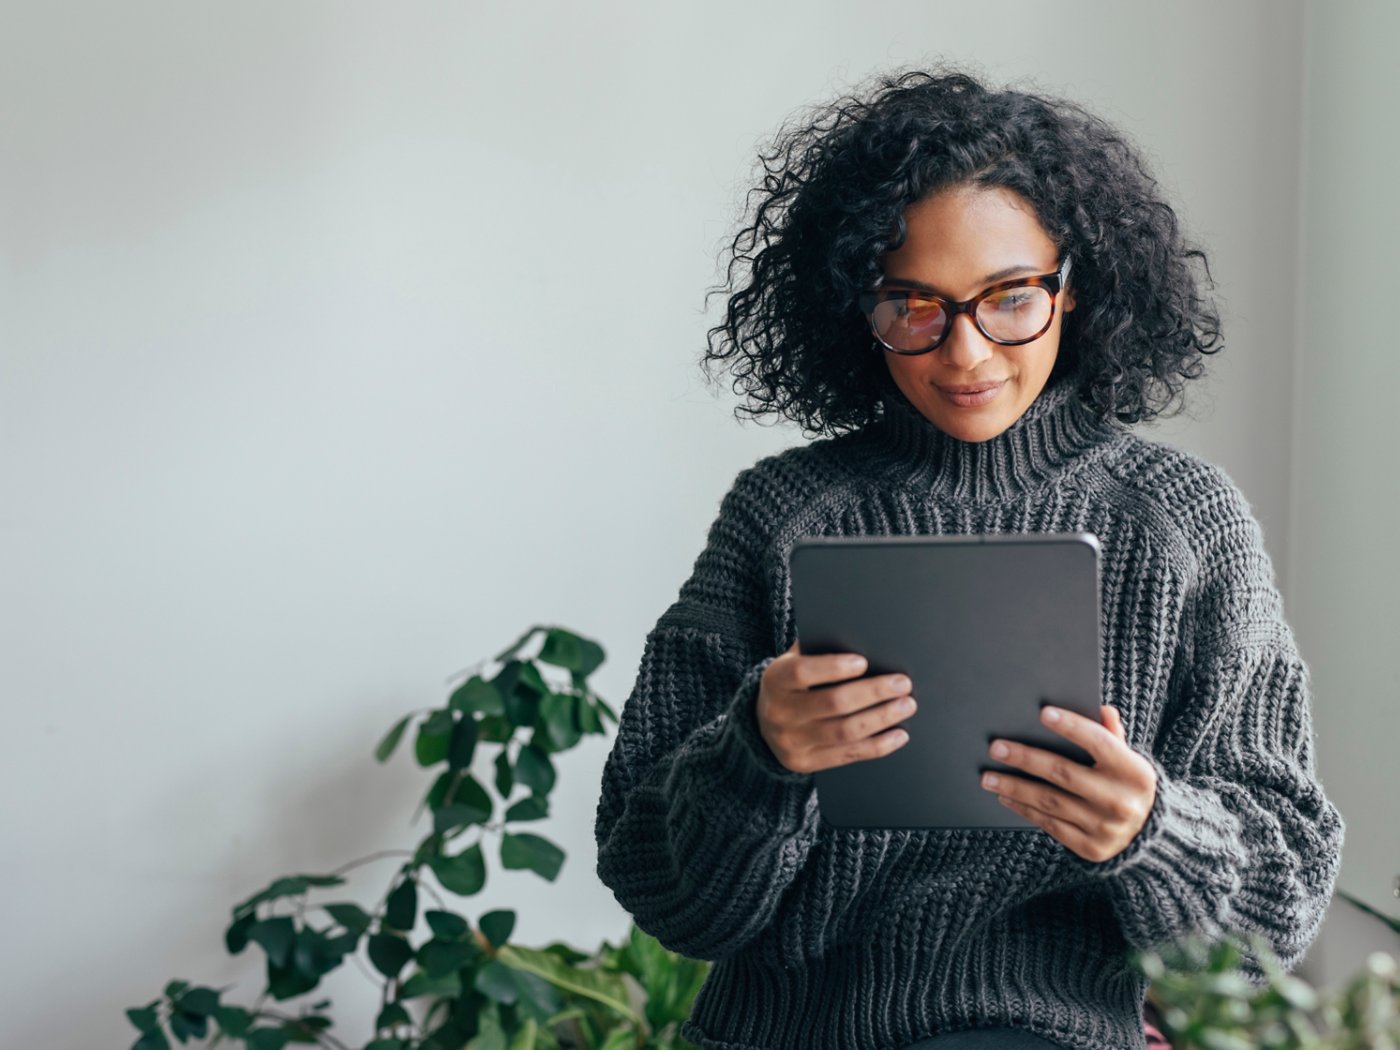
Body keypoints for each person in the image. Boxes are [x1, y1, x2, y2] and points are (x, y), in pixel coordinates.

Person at [593, 64, 1345, 1050]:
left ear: (1073, 287)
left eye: (1007, 299)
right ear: (850, 304)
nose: (966, 355)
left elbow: (1270, 921)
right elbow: (660, 889)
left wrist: (1151, 833)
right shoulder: (780, 516)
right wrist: (756, 758)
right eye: (912, 305)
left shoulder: (1182, 524)